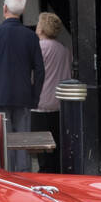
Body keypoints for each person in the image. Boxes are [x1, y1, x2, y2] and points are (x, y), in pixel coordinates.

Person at [0, 0, 45, 172]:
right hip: (23, 95)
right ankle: (23, 175)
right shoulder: (31, 36)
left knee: (3, 141)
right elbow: (39, 70)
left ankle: (5, 176)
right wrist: (35, 95)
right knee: (22, 139)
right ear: (22, 10)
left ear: (5, 8)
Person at [32, 12, 73, 173]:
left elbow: (32, 74)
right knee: (57, 146)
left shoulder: (40, 48)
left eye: (38, 23)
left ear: (42, 28)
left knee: (42, 149)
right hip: (59, 103)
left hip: (41, 103)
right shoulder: (64, 49)